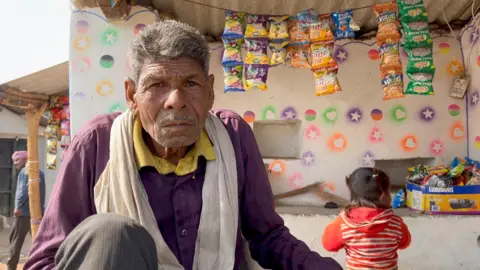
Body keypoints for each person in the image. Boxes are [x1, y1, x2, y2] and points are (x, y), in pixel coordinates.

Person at [25, 20, 342, 270]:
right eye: (157, 85)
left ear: (210, 92)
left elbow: (268, 236)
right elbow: (45, 260)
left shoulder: (232, 137)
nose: (175, 101)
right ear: (131, 95)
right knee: (109, 234)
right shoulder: (96, 144)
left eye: (190, 84)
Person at [322, 167, 411, 270]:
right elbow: (405, 243)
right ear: (383, 195)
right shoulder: (395, 223)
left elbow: (328, 245)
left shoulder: (345, 223)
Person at [8, 151, 45, 270]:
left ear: (25, 160)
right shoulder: (40, 172)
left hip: (23, 213)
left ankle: (11, 267)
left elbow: (22, 193)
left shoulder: (25, 172)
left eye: (17, 160)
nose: (15, 163)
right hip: (37, 212)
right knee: (39, 241)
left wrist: (17, 208)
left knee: (15, 242)